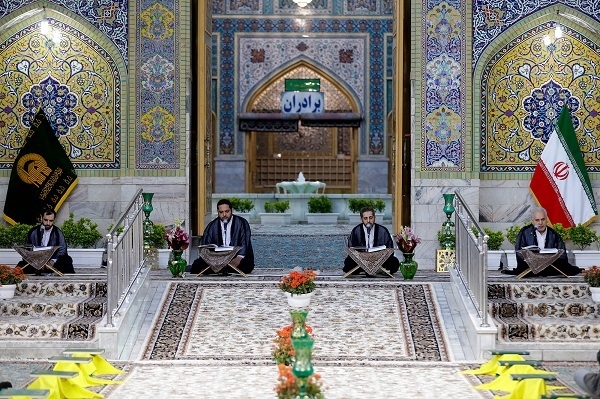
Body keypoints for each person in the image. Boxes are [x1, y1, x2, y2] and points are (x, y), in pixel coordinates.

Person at [502, 207, 581, 276]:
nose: (540, 223)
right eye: (537, 220)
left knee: (570, 270)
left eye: (543, 219)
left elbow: (562, 255)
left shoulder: (553, 234)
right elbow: (519, 253)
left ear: (546, 220)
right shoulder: (525, 233)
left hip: (550, 268)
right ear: (533, 222)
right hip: (530, 267)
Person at [189, 199, 255, 275]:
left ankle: (222, 268)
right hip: (216, 258)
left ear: (231, 210)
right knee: (196, 266)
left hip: (235, 256)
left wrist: (239, 258)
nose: (224, 215)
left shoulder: (241, 223)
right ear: (218, 212)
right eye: (221, 212)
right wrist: (213, 258)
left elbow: (245, 242)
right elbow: (206, 245)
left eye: (227, 211)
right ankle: (224, 268)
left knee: (247, 266)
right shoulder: (212, 225)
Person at [343, 206, 399, 275]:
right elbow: (351, 249)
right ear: (361, 219)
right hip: (361, 260)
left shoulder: (383, 230)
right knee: (348, 262)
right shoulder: (356, 230)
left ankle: (375, 269)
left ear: (374, 218)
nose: (368, 221)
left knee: (394, 262)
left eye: (371, 218)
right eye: (365, 218)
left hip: (379, 260)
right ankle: (374, 270)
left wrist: (379, 256)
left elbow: (390, 249)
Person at [17, 208, 75, 275]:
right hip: (35, 262)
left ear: (54, 220)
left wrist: (53, 261)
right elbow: (27, 249)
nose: (48, 223)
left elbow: (62, 249)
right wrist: (37, 262)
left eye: (51, 221)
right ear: (41, 218)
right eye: (45, 220)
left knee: (67, 260)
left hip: (52, 263)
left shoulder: (57, 232)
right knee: (21, 265)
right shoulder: (33, 232)